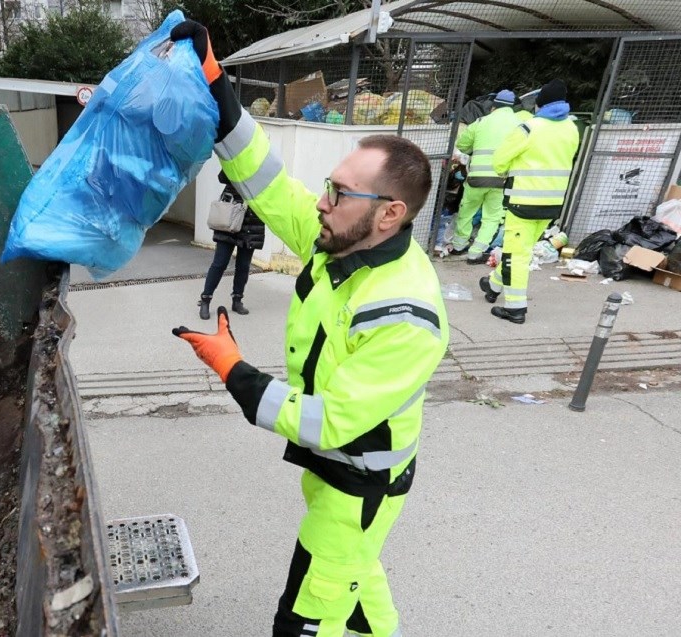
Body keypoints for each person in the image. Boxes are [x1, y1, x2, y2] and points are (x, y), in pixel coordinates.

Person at [168, 21, 448, 637]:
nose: (322, 202)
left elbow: (335, 419)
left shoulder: (409, 315)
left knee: (303, 622)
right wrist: (221, 96)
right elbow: (269, 185)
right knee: (359, 589)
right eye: (328, 187)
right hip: (333, 474)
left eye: (340, 193)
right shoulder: (338, 245)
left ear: (390, 214)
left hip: (359, 486)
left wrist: (234, 372)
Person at [481, 79, 580, 324]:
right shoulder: (571, 129)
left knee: (517, 255)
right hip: (551, 204)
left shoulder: (529, 128)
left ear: (540, 103)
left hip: (522, 203)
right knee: (520, 249)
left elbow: (499, 162)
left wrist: (510, 169)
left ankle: (515, 308)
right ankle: (493, 286)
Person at [449, 89, 523, 264]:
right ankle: (476, 252)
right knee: (492, 216)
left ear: (493, 106)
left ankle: (459, 246)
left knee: (467, 211)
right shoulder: (520, 125)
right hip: (501, 179)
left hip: (476, 178)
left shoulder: (481, 122)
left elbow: (462, 144)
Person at [199, 170, 266, 319]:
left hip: (251, 221)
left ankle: (237, 300)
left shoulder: (264, 164)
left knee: (243, 266)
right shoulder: (236, 158)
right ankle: (205, 300)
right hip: (230, 216)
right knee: (220, 263)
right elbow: (221, 177)